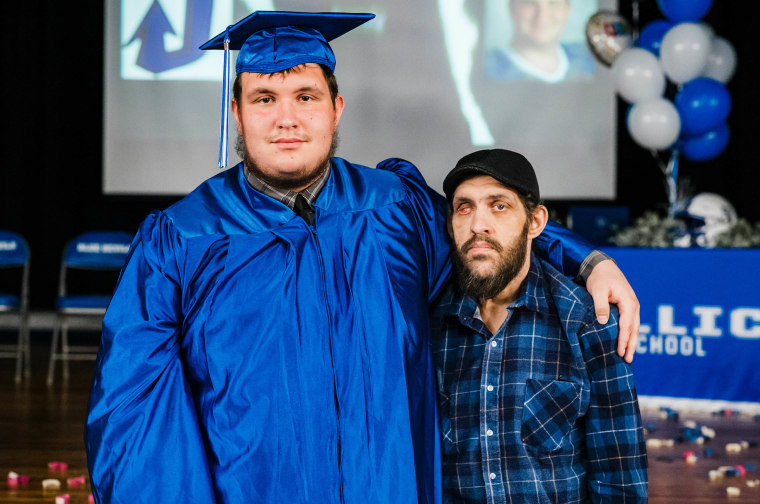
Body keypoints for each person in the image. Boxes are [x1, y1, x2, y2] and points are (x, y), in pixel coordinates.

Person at [85, 11, 639, 503]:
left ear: (336, 108)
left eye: (306, 97)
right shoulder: (179, 242)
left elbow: (485, 231)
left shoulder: (395, 210)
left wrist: (588, 259)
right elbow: (135, 420)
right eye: (263, 100)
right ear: (236, 112)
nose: (287, 120)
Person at [432, 148, 648, 503]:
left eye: (499, 205)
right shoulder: (428, 326)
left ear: (535, 222)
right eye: (464, 207)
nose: (478, 224)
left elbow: (619, 477)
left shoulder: (585, 321)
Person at [485, 0, 595, 82]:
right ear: (512, 8)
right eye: (530, 3)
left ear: (567, 9)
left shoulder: (590, 59)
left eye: (553, 3)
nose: (542, 15)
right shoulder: (487, 69)